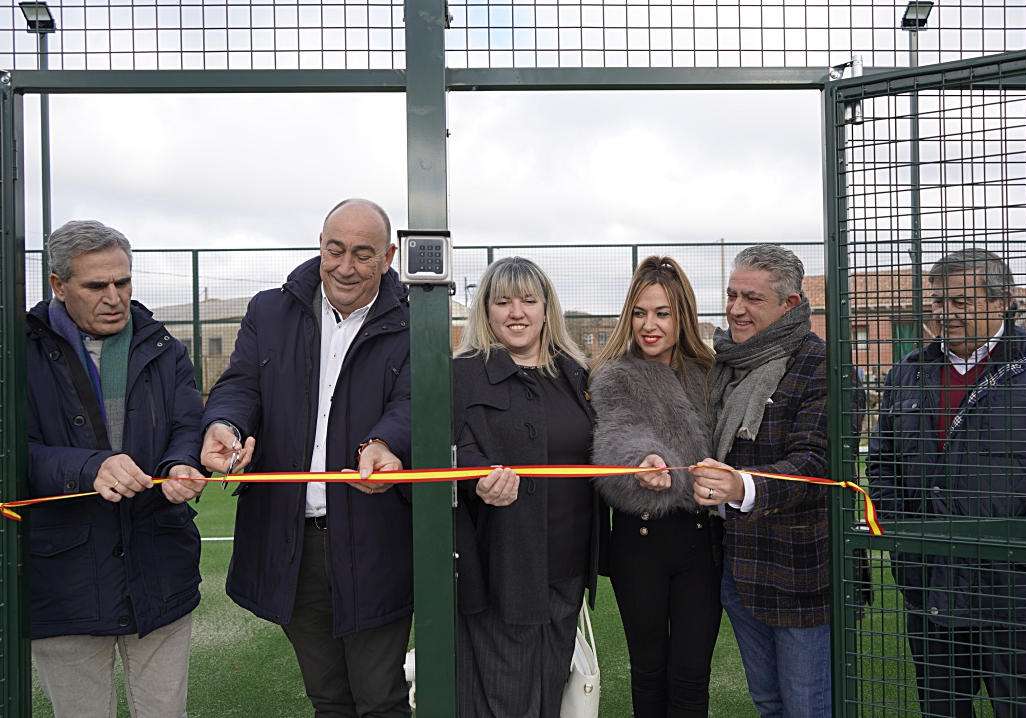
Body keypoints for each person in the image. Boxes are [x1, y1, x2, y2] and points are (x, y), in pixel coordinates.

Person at [200, 199, 412, 717]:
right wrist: (226, 425)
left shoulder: (414, 321)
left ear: (388, 257)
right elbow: (240, 386)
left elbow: (416, 401)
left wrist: (385, 443)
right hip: (291, 542)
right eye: (334, 250)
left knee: (380, 697)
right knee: (328, 697)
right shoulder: (269, 311)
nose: (345, 266)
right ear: (320, 244)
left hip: (376, 538)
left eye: (362, 254)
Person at [868, 248, 1026, 717]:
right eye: (938, 301)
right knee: (941, 708)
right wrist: (907, 537)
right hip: (933, 585)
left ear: (1002, 300)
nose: (945, 313)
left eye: (961, 302)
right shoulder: (909, 370)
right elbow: (882, 464)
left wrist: (1016, 543)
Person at [26, 220, 205, 718]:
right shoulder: (20, 352)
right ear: (58, 285)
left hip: (161, 569)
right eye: (96, 285)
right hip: (64, 582)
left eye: (123, 281)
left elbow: (188, 425)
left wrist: (181, 465)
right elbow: (15, 451)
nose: (114, 297)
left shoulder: (165, 347)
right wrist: (88, 468)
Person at [453, 256, 600, 718]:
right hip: (502, 566)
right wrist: (478, 477)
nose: (516, 313)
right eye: (503, 302)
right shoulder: (463, 374)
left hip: (567, 564)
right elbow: (447, 447)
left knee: (551, 691)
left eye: (528, 301)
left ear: (546, 308)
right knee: (505, 698)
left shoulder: (575, 373)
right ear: (486, 310)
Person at [690, 244, 830, 718]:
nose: (735, 309)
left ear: (789, 304)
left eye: (751, 298)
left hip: (800, 576)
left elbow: (815, 462)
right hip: (740, 570)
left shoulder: (820, 363)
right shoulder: (726, 362)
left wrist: (742, 487)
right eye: (732, 294)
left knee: (807, 707)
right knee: (768, 703)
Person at [589, 256, 720, 717]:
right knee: (648, 672)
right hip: (639, 544)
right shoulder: (613, 375)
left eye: (662, 313)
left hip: (701, 543)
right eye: (640, 313)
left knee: (691, 678)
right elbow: (617, 433)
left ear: (682, 315)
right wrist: (640, 460)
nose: (650, 326)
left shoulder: (710, 373)